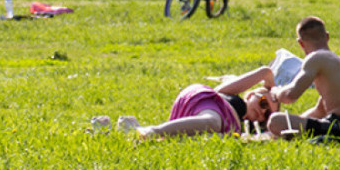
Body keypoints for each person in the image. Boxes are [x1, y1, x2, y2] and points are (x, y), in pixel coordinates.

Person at [268, 16, 340, 142]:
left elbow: (290, 95)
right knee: (287, 122)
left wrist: (276, 93)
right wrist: (296, 122)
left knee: (275, 121)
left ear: (301, 43)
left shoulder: (315, 58)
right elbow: (320, 110)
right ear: (327, 36)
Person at [114, 66, 279, 139]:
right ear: (250, 94)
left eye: (268, 114)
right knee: (213, 122)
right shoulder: (230, 96)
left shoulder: (247, 129)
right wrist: (271, 87)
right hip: (204, 103)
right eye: (264, 103)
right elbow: (265, 72)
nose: (262, 112)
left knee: (203, 137)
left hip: (203, 121)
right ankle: (151, 131)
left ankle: (132, 129)